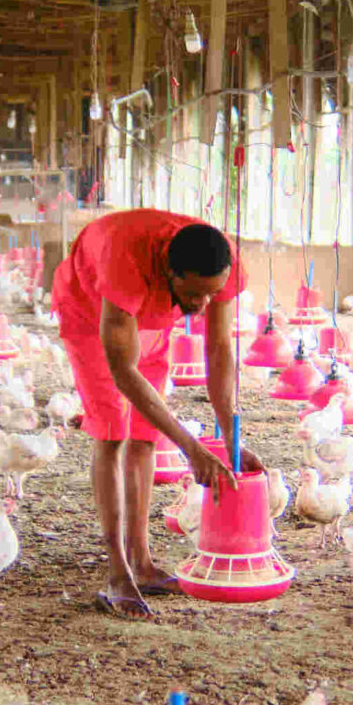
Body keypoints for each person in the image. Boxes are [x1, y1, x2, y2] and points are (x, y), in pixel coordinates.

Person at [50, 209, 262, 618]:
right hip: (91, 310)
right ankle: (118, 572)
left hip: (150, 310)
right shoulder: (124, 262)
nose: (202, 305)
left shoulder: (224, 264)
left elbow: (219, 350)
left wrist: (231, 435)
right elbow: (123, 371)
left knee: (145, 434)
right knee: (112, 431)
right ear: (169, 272)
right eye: (195, 294)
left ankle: (142, 561)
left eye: (211, 295)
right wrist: (190, 447)